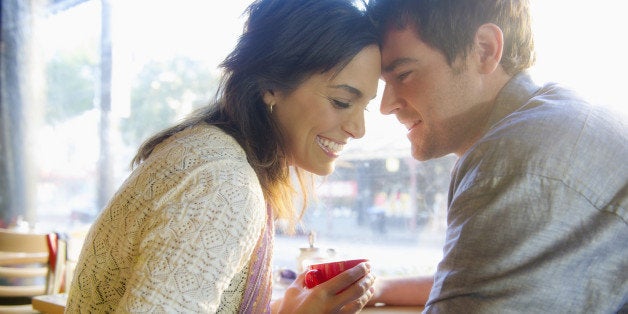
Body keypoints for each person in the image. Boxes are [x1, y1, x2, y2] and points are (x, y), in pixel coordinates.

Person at [65, 0, 381, 312]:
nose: (359, 129)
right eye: (341, 101)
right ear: (271, 85)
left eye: (364, 106)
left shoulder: (208, 151)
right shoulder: (224, 184)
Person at [365, 0, 627, 313]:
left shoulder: (515, 162)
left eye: (404, 74)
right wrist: (379, 287)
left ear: (485, 50)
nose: (386, 105)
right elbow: (489, 277)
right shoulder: (552, 116)